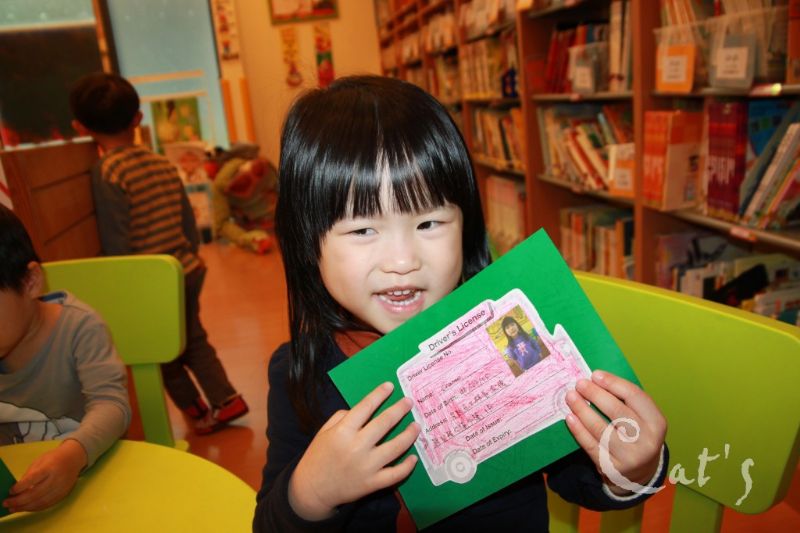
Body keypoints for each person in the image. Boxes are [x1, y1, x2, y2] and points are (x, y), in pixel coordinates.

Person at [254, 76, 668, 532]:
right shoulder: (300, 372)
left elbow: (578, 476)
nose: (402, 261)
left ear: (466, 225)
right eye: (363, 230)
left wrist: (634, 466)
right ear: (307, 243)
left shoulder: (509, 336)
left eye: (429, 223)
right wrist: (312, 492)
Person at [68, 72, 248, 435]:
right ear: (138, 119)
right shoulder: (161, 163)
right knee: (192, 338)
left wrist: (118, 287)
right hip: (185, 269)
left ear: (81, 127)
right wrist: (187, 257)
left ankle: (198, 410)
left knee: (159, 350)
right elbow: (188, 224)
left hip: (149, 279)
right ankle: (225, 399)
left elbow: (117, 241)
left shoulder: (108, 171)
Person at [0, 205, 131, 513]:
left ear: (31, 282)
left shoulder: (79, 328)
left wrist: (73, 456)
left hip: (93, 479)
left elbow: (112, 404)